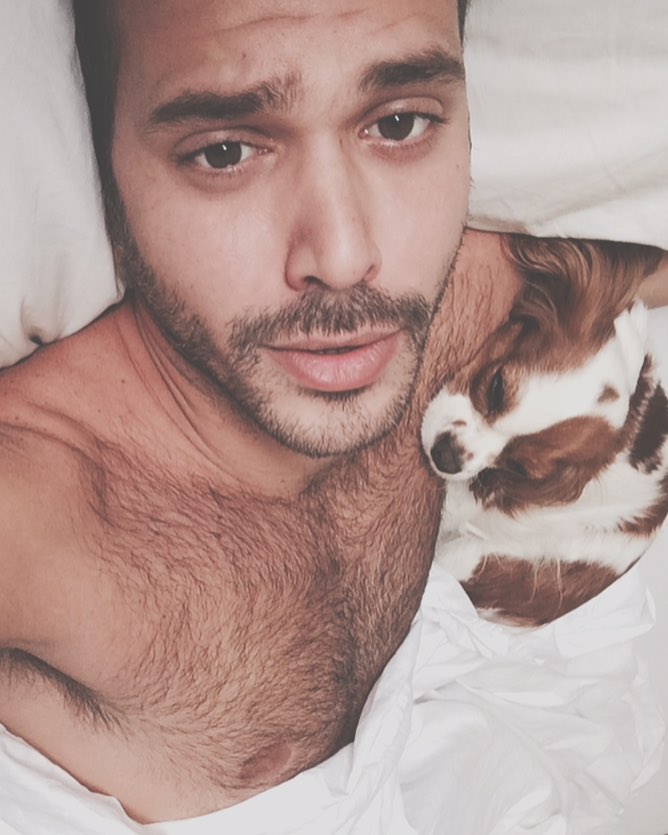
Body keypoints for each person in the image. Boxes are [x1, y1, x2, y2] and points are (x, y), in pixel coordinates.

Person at [0, 0, 531, 826]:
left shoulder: (449, 309)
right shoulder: (42, 506)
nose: (344, 257)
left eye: (397, 124)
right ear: (106, 174)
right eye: (225, 152)